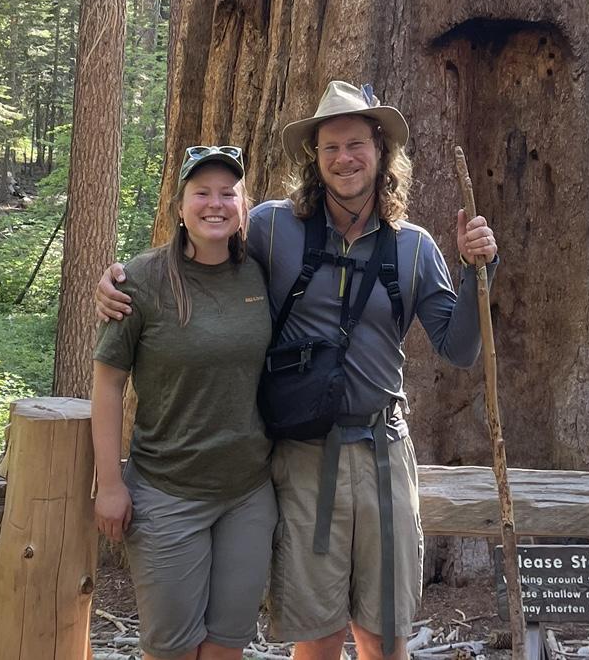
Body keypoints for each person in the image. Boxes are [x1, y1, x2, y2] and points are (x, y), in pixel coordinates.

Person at [98, 81, 499, 660]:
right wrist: (121, 283)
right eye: (330, 146)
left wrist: (476, 271)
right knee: (318, 631)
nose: (344, 158)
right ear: (315, 156)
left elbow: (459, 349)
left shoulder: (413, 247)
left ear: (381, 151)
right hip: (304, 456)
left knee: (385, 633)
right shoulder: (271, 228)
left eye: (356, 144)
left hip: (384, 452)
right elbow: (201, 250)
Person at [92, 145, 277, 660]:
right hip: (166, 493)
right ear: (179, 207)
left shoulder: (262, 272)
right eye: (201, 193)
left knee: (226, 646)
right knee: (171, 650)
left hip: (248, 495)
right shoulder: (140, 280)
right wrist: (110, 484)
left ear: (244, 206)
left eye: (228, 193)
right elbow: (107, 385)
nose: (215, 204)